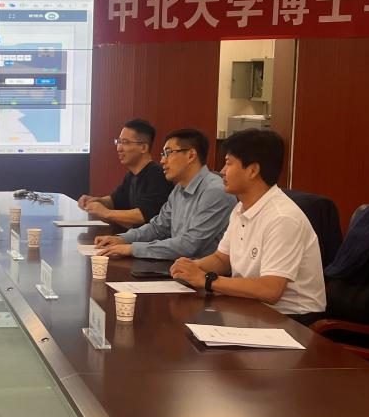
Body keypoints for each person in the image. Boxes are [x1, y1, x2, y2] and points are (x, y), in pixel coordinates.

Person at [171, 129, 326, 324]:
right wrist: (193, 267)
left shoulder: (282, 218)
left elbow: (271, 290)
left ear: (252, 170)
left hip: (291, 319)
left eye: (228, 163)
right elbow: (222, 259)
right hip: (250, 307)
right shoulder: (241, 208)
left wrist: (206, 280)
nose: (222, 171)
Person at [96, 128, 235, 260]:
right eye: (163, 154)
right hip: (179, 267)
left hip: (203, 273)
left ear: (191, 155)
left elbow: (190, 245)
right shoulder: (179, 189)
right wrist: (122, 239)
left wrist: (132, 248)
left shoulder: (215, 191)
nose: (162, 160)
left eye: (168, 153)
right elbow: (158, 228)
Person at [78, 118, 172, 228]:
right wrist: (96, 200)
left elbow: (145, 215)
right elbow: (115, 200)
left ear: (143, 147)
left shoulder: (157, 174)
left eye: (125, 142)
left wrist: (106, 213)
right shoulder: (131, 175)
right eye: (118, 142)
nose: (119, 148)